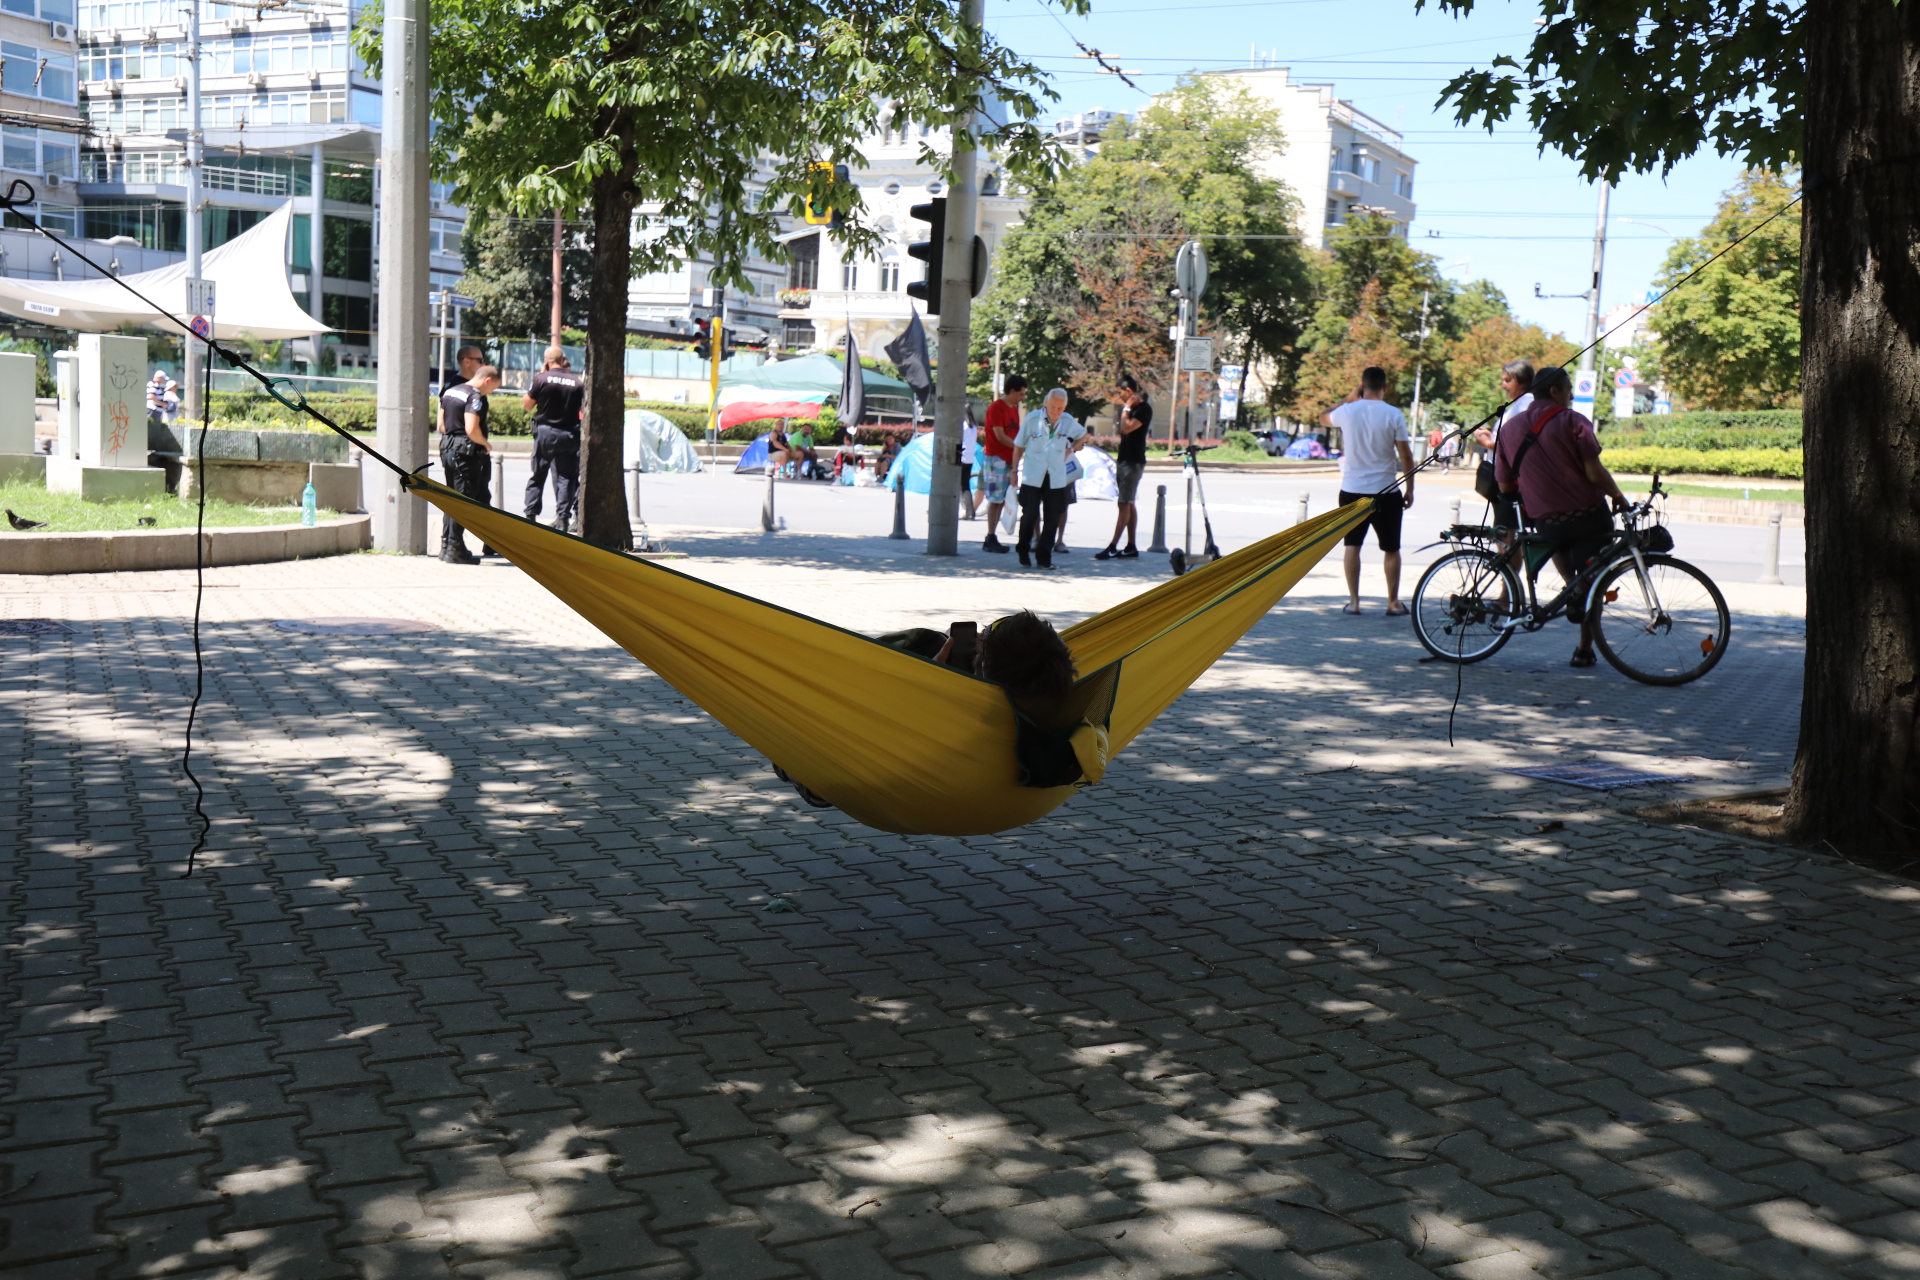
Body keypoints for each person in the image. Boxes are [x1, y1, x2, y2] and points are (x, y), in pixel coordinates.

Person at [1494, 366, 1631, 669]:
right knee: (1591, 583)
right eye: (1569, 389)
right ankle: (1584, 649)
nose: (1571, 395)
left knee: (1573, 578)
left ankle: (1572, 591)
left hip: (1546, 522)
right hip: (1589, 519)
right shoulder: (1573, 421)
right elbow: (1594, 472)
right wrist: (1619, 497)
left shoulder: (1509, 428)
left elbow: (1504, 485)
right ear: (1555, 391)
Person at [1320, 366, 1415, 615]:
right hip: (1387, 491)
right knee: (1391, 548)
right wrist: (1410, 489)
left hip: (1352, 490)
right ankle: (1393, 603)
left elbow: (1322, 417)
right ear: (1385, 387)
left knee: (1352, 546)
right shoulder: (1394, 414)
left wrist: (1348, 399)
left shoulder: (1347, 411)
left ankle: (1354, 602)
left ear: (1362, 386)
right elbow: (1405, 455)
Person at [1010, 387, 1085, 570]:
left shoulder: (1067, 421)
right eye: (1053, 407)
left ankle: (1044, 558)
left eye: (1060, 408)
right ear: (1046, 403)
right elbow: (1018, 446)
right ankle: (1023, 549)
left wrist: (1072, 449)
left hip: (1056, 476)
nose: (1056, 412)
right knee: (1030, 514)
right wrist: (1014, 472)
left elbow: (1083, 436)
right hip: (1033, 475)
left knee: (1053, 517)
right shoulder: (1033, 419)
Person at [438, 364, 502, 565]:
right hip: (466, 453)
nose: (491, 392)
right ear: (487, 380)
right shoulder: (474, 396)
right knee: (463, 502)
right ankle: (456, 549)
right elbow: (471, 428)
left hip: (448, 448)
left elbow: (441, 425)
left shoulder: (451, 391)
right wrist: (486, 444)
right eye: (493, 388)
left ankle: (447, 544)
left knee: (451, 499)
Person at [521, 346, 583, 533]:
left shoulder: (541, 379)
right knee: (566, 478)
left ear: (546, 359)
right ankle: (563, 518)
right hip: (569, 433)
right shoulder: (577, 383)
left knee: (538, 474)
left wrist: (539, 379)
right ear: (562, 358)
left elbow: (527, 405)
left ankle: (531, 515)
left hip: (546, 433)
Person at [1475, 358, 1535, 531]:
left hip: (1511, 483)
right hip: (1506, 480)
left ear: (1522, 381)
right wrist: (1491, 438)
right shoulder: (1519, 405)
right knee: (1506, 531)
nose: (1503, 385)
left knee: (1506, 533)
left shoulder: (1525, 405)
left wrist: (1488, 444)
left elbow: (1517, 446)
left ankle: (1510, 560)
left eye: (1508, 380)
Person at [1096, 375, 1151, 560]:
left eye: (1120, 392)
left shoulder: (1143, 409)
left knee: (1124, 503)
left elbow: (1126, 428)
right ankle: (1131, 546)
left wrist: (1126, 409)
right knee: (1129, 503)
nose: (1118, 396)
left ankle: (1113, 546)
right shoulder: (1131, 408)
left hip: (1133, 462)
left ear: (1128, 391)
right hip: (1125, 460)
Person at [979, 376, 1025, 551]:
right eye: (1020, 394)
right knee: (996, 498)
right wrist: (1018, 447)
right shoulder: (997, 407)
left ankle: (992, 536)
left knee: (1003, 498)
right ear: (1012, 391)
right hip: (996, 457)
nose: (1022, 397)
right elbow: (999, 435)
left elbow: (1016, 433)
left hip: (1009, 457)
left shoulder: (1013, 408)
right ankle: (990, 536)